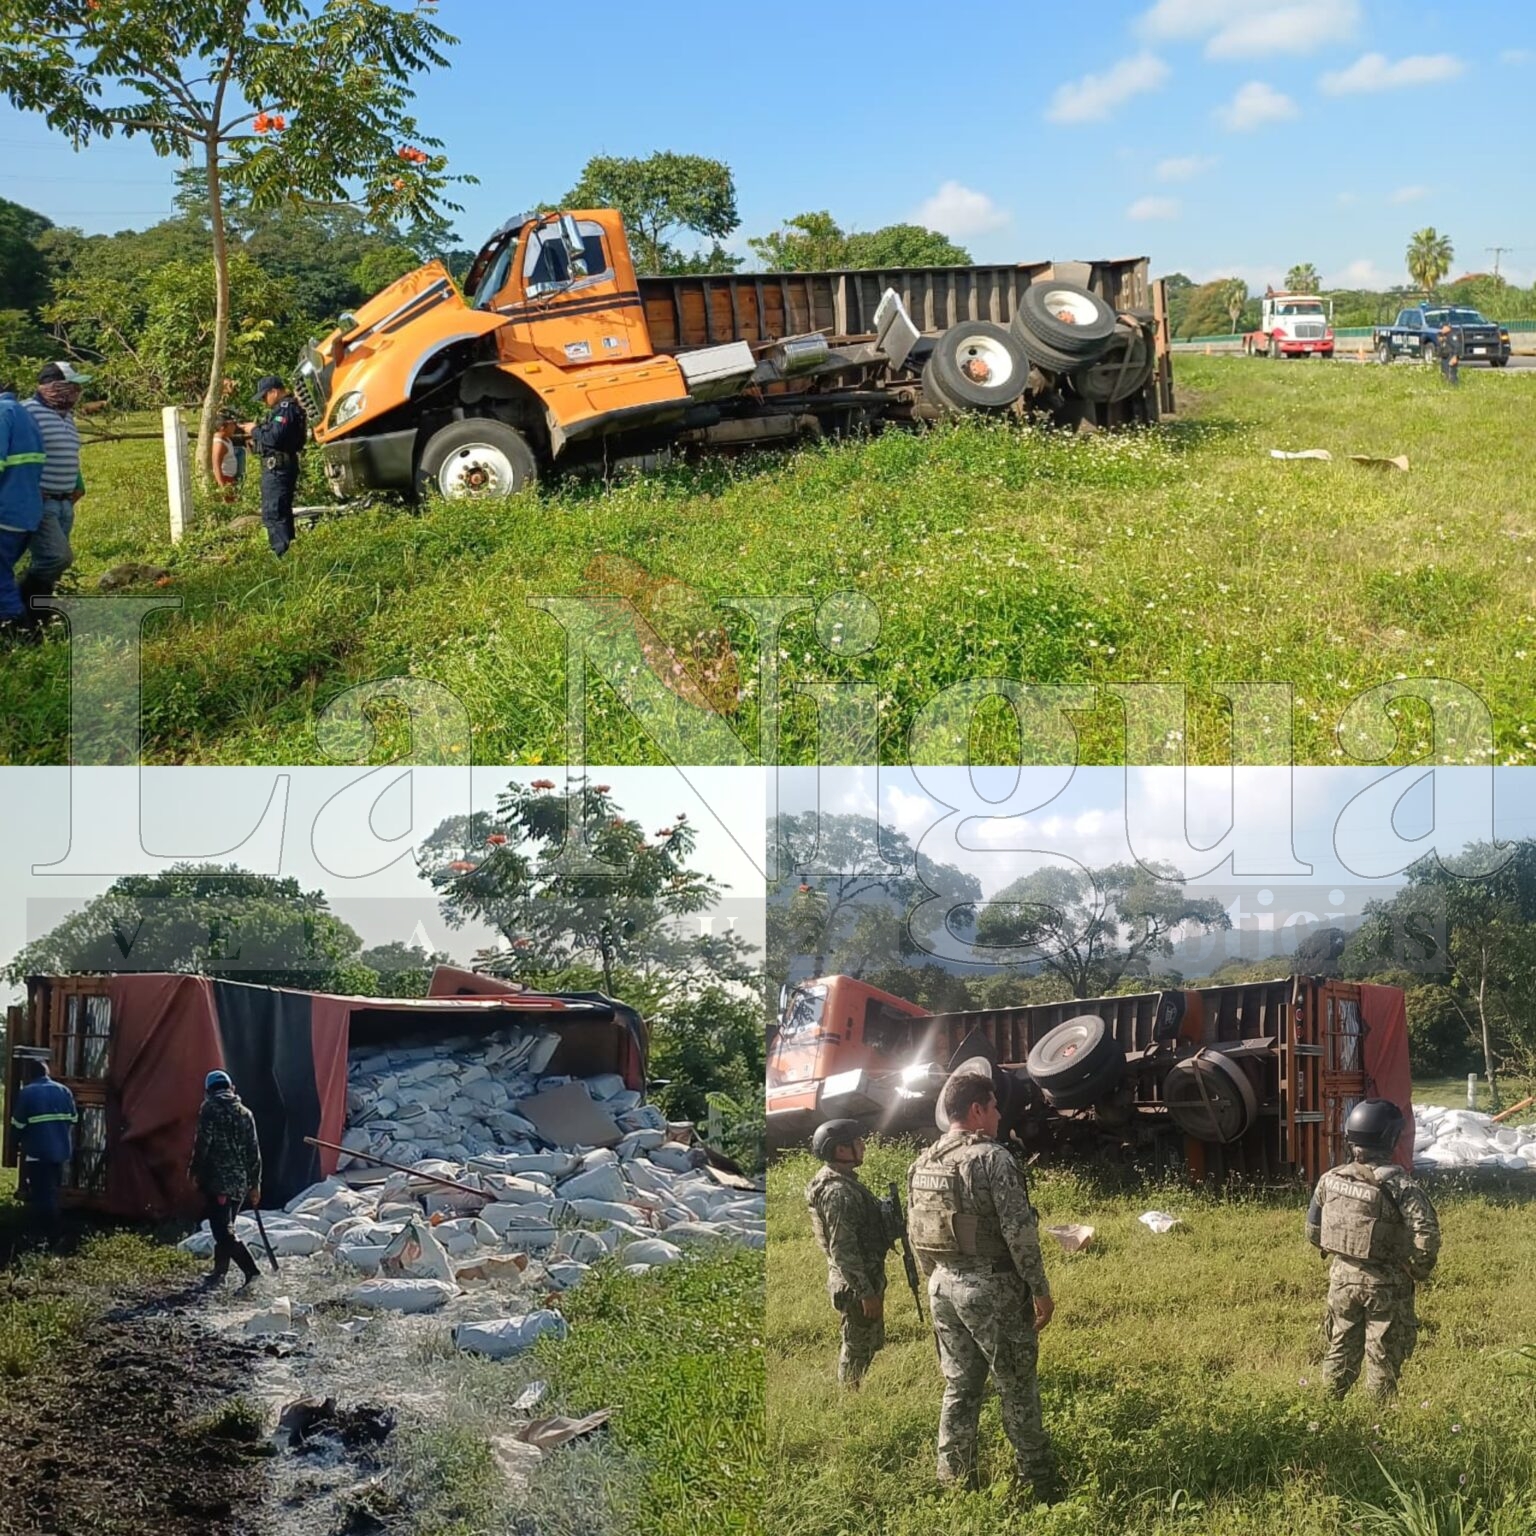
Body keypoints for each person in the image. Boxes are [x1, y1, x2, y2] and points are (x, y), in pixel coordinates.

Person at [906, 1068, 1058, 1502]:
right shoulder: (992, 1159)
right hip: (991, 1289)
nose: (997, 1117)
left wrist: (934, 1278)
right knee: (1017, 1386)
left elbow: (917, 1232)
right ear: (976, 1110)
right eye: (993, 1108)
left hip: (942, 1287)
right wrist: (1040, 1290)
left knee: (960, 1384)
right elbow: (1019, 1233)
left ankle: (952, 1477)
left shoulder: (923, 1162)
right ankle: (1039, 1480)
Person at [1307, 1098, 1439, 1399]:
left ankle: (1326, 1410)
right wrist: (1417, 1268)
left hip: (1342, 1281)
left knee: (1340, 1348)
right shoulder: (1401, 1186)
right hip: (1386, 1285)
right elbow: (1426, 1233)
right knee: (1383, 1355)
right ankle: (1380, 1423)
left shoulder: (1331, 1180)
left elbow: (1313, 1231)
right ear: (1391, 1138)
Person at [805, 1118, 892, 1388]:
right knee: (856, 1346)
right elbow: (843, 1249)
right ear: (841, 1150)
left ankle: (852, 1391)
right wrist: (865, 1293)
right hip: (855, 1282)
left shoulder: (837, 1180)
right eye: (857, 1143)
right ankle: (849, 1400)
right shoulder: (839, 1193)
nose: (863, 1147)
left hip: (860, 1275)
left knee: (866, 1341)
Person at [20, 361, 90, 610]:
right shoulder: (26, 412)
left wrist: (77, 484)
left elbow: (69, 454)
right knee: (57, 558)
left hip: (65, 503)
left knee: (53, 561)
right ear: (54, 386)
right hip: (42, 502)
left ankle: (41, 613)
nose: (76, 392)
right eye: (70, 386)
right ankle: (21, 603)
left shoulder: (67, 416)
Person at [188, 1068, 264, 1287]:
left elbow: (202, 1145)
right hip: (239, 1184)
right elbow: (254, 1151)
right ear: (232, 1088)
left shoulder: (210, 1109)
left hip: (218, 1183)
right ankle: (219, 1272)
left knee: (223, 1231)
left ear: (207, 1091)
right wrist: (255, 1184)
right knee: (225, 1225)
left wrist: (194, 1172)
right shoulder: (245, 1113)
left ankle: (252, 1272)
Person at [10, 1056, 77, 1245]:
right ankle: (54, 1232)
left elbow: (18, 1124)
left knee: (42, 1195)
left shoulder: (28, 1093)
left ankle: (47, 1235)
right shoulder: (64, 1091)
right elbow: (73, 1119)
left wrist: (13, 1145)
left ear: (29, 1076)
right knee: (52, 1190)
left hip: (38, 1152)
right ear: (47, 1072)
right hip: (61, 1151)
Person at [0, 377, 46, 641]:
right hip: (25, 512)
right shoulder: (23, 414)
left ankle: (19, 633)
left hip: (4, 512)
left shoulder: (1, 414)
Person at [242, 374, 307, 557]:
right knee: (279, 511)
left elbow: (275, 437)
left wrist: (254, 430)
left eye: (264, 396)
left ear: (274, 391)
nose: (263, 401)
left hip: (278, 469)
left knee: (274, 512)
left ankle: (281, 553)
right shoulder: (281, 410)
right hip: (276, 467)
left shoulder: (285, 409)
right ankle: (286, 551)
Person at [1434, 322, 1461, 386]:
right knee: (1445, 374)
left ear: (1447, 327)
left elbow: (1457, 346)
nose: (1441, 329)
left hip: (1450, 357)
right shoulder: (1445, 336)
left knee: (1451, 375)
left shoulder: (1452, 335)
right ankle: (1446, 386)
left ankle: (1453, 387)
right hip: (1445, 358)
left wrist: (1455, 357)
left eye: (1443, 327)